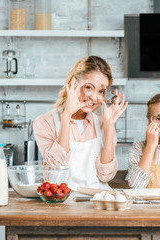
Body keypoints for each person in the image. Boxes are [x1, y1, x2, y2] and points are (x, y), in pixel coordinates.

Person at [34, 56, 128, 191]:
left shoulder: (103, 124)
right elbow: (57, 169)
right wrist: (66, 116)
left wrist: (109, 126)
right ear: (73, 84)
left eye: (101, 91)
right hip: (63, 203)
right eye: (89, 87)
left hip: (99, 202)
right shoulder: (44, 123)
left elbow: (105, 176)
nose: (95, 98)